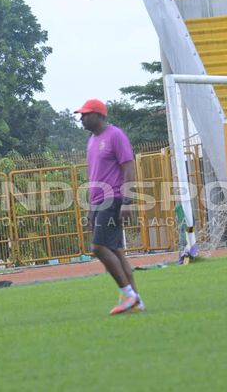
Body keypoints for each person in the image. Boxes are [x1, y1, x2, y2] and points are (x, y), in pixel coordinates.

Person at [76, 98, 145, 315]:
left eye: (86, 114)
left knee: (98, 248)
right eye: (81, 114)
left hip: (112, 198)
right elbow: (93, 175)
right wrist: (89, 209)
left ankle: (128, 294)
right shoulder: (91, 140)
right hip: (97, 202)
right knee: (116, 251)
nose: (82, 118)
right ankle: (136, 299)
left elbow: (128, 168)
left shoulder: (115, 135)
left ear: (99, 115)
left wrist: (127, 201)